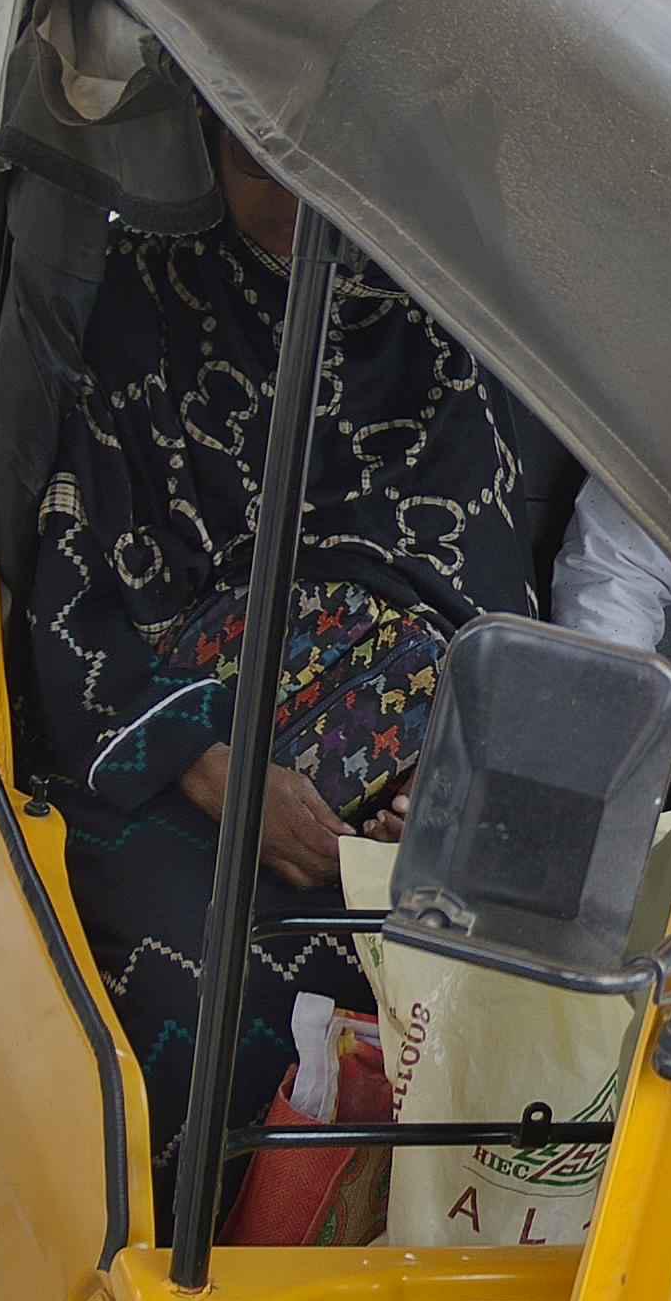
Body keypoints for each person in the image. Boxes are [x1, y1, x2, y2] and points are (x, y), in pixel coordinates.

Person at [28, 112, 540, 1224]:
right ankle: (179, 1285)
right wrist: (222, 772)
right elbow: (76, 586)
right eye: (261, 161)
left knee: (526, 999)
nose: (298, 198)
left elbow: (488, 589)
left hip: (411, 767)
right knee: (190, 990)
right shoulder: (147, 299)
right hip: (190, 746)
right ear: (208, 146)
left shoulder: (442, 320)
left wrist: (446, 783)